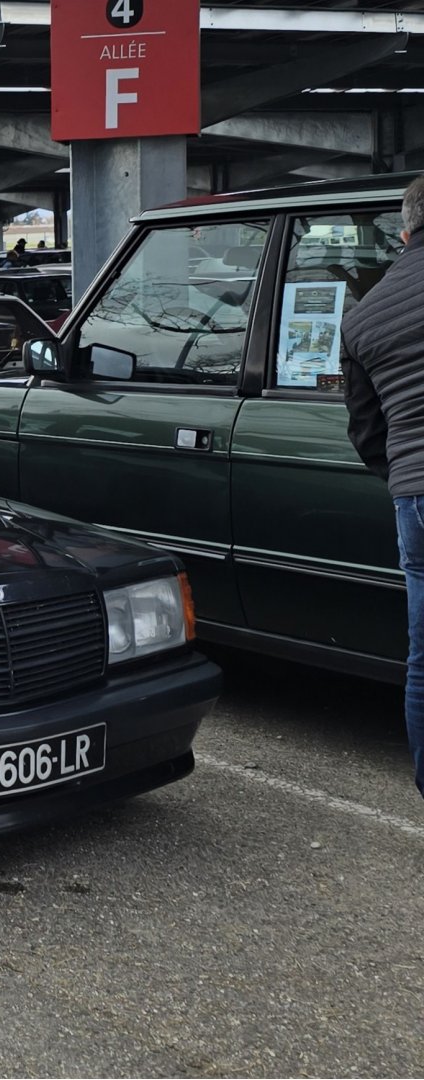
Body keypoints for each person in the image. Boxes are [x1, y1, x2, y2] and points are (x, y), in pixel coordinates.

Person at [341, 174, 424, 799]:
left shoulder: (364, 316)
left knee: (422, 657)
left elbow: (366, 430)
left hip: (412, 494)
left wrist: (402, 478)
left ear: (404, 231)